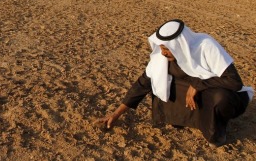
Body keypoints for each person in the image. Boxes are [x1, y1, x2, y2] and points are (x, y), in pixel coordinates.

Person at [95, 19, 253, 147]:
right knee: (161, 81)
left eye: (167, 49)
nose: (163, 52)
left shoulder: (205, 46)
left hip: (227, 96)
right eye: (162, 47)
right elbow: (142, 85)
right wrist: (116, 114)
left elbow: (234, 82)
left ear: (179, 46)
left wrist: (198, 84)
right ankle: (190, 119)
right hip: (197, 95)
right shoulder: (162, 58)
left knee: (221, 98)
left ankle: (218, 129)